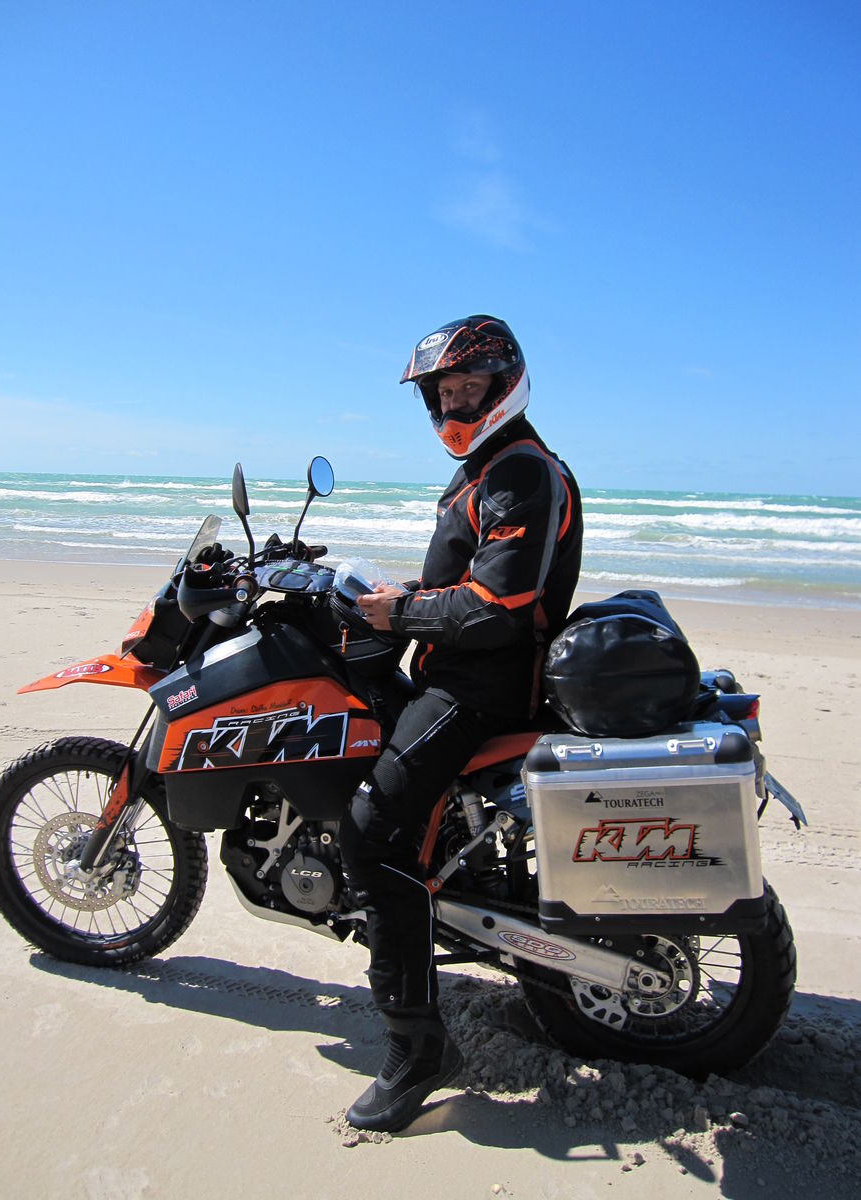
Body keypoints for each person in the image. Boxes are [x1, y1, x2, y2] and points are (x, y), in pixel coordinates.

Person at [339, 314, 583, 1132]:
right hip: (458, 671)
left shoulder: (520, 470)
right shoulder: (486, 468)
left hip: (483, 689)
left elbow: (496, 604)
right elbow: (467, 577)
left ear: (503, 386)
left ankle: (417, 1048)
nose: (453, 403)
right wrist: (394, 595)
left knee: (371, 830)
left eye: (468, 388)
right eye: (444, 392)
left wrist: (401, 613)